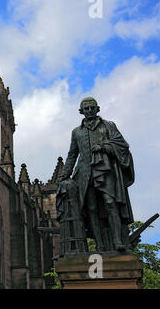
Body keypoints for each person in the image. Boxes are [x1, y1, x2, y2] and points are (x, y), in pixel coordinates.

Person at [58, 97, 135, 252]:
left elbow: (122, 145)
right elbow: (72, 155)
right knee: (91, 208)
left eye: (92, 108)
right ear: (81, 112)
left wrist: (104, 147)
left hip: (105, 170)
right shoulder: (76, 132)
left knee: (110, 203)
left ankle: (118, 241)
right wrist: (63, 176)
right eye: (86, 109)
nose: (89, 111)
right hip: (85, 174)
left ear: (97, 108)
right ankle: (100, 244)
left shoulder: (108, 126)